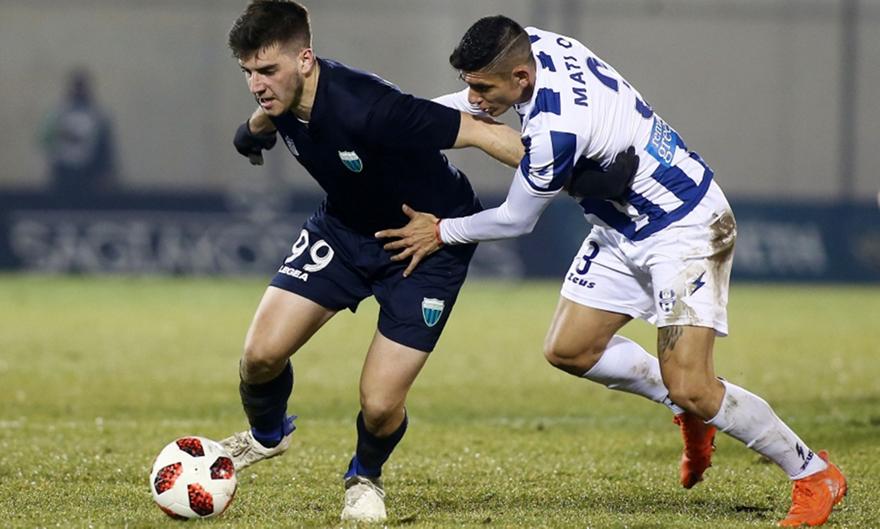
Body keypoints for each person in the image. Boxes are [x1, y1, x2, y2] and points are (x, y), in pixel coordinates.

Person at [377, 16, 847, 527]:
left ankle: (812, 472)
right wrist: (403, 120)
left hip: (683, 226)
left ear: (520, 77)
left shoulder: (557, 131)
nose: (475, 98)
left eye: (484, 88)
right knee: (570, 349)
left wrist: (441, 231)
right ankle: (685, 407)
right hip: (622, 226)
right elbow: (472, 111)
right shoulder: (531, 44)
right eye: (470, 84)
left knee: (694, 383)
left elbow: (515, 219)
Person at [220, 2, 629, 523]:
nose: (257, 84)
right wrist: (250, 132)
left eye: (267, 70)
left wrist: (580, 179)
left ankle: (365, 476)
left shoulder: (372, 109)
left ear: (305, 60)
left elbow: (486, 132)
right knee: (259, 356)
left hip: (427, 240)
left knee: (379, 404)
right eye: (248, 72)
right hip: (343, 232)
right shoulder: (278, 97)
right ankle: (267, 436)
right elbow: (267, 116)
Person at [39, 68, 118, 196]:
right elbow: (46, 141)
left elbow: (105, 147)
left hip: (90, 175)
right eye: (77, 87)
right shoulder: (58, 114)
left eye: (81, 87)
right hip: (63, 174)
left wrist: (106, 173)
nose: (79, 91)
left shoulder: (98, 116)